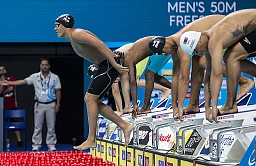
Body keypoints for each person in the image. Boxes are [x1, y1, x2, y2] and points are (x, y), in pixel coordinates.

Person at [148, 14, 254, 122]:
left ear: (165, 44)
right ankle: (193, 104)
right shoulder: (179, 44)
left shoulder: (184, 44)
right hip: (228, 29)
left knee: (219, 59)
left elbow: (185, 78)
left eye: (162, 52)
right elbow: (177, 76)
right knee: (198, 60)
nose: (163, 54)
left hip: (233, 28)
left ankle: (243, 82)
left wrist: (180, 106)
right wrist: (175, 105)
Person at [54, 14, 134, 150]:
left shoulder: (77, 34)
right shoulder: (74, 37)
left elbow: (100, 44)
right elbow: (95, 48)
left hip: (108, 64)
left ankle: (91, 138)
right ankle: (125, 126)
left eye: (57, 26)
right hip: (104, 65)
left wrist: (114, 63)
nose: (55, 29)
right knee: (94, 101)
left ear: (64, 25)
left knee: (89, 98)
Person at [179, 9, 256, 122]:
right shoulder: (208, 40)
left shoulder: (214, 40)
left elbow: (217, 74)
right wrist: (207, 107)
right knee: (232, 56)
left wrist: (214, 107)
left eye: (196, 51)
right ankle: (230, 105)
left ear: (199, 41)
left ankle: (230, 105)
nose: (198, 54)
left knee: (232, 56)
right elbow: (208, 77)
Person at [0, 58, 61, 151]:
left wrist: (57, 104)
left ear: (49, 66)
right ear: (40, 66)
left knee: (51, 126)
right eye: (43, 65)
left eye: (46, 65)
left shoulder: (55, 77)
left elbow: (58, 91)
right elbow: (22, 81)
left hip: (51, 104)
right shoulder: (35, 77)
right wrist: (9, 82)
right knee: (37, 126)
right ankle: (36, 145)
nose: (44, 66)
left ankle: (51, 144)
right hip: (39, 104)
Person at [122, 37, 172, 118]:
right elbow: (132, 81)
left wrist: (134, 104)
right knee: (153, 75)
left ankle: (146, 107)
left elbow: (133, 81)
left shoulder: (127, 59)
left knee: (149, 74)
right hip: (162, 44)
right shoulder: (128, 56)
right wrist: (134, 104)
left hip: (162, 46)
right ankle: (177, 90)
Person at [0, 66, 23, 147]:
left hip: (12, 104)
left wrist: (2, 93)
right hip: (2, 106)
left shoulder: (11, 79)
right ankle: (2, 141)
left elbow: (11, 89)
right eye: (0, 70)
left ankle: (19, 141)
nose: (2, 71)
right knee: (1, 124)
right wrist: (2, 84)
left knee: (15, 122)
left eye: (3, 69)